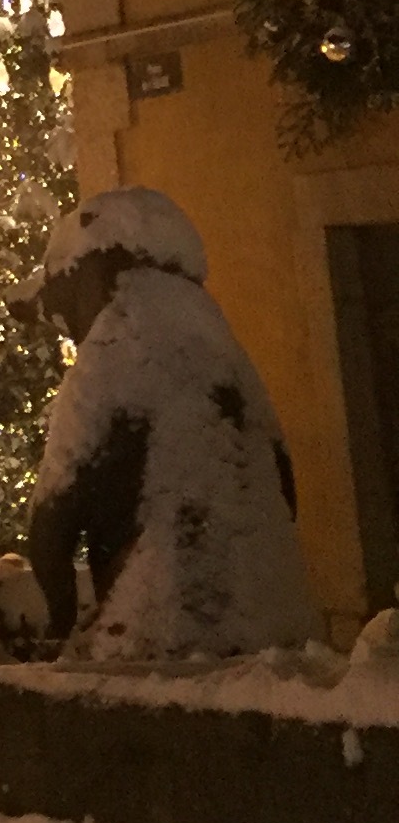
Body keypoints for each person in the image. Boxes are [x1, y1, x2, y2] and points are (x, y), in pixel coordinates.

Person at [23, 186, 320, 659]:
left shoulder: (116, 346)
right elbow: (282, 483)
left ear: (86, 275)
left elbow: (52, 518)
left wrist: (60, 622)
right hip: (277, 624)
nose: (68, 330)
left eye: (65, 308)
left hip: (162, 626)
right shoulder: (222, 347)